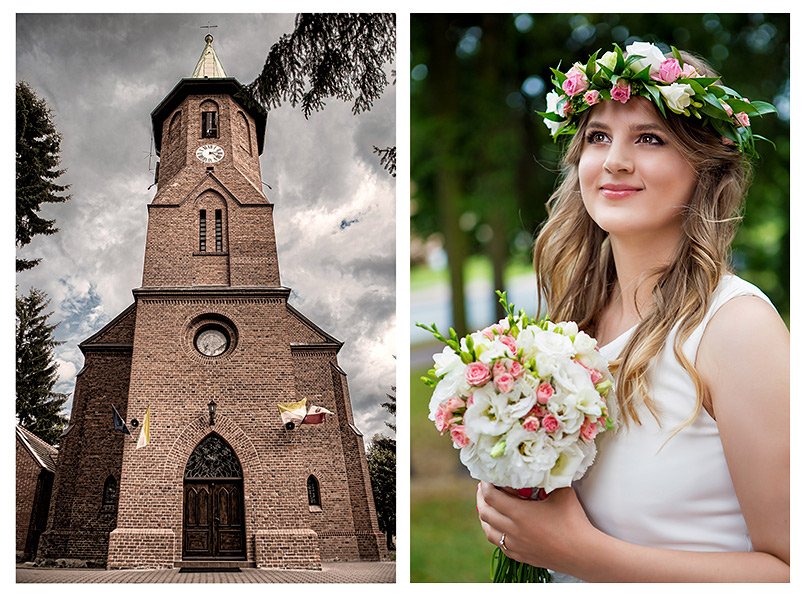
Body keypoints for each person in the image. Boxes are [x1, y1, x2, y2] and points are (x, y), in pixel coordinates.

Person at [475, 41, 790, 582]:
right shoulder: (571, 329)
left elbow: (791, 571)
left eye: (649, 138)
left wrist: (579, 553)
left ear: (704, 165)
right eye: (599, 136)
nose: (615, 159)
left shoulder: (735, 328)